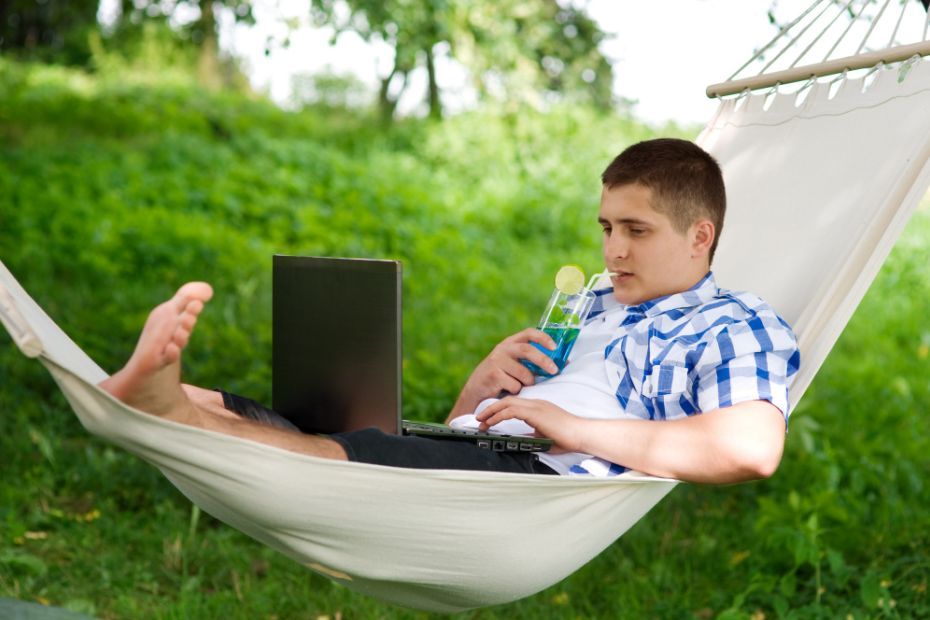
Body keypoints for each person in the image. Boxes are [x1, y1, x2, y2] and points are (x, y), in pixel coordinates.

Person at [101, 138, 800, 483]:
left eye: (636, 231)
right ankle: (156, 396)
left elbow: (750, 448)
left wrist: (571, 427)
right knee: (295, 420)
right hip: (480, 450)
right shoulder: (590, 305)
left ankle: (171, 414)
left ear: (699, 236)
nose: (613, 250)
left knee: (357, 458)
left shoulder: (735, 323)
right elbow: (466, 424)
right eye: (606, 227)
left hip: (535, 482)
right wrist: (481, 383)